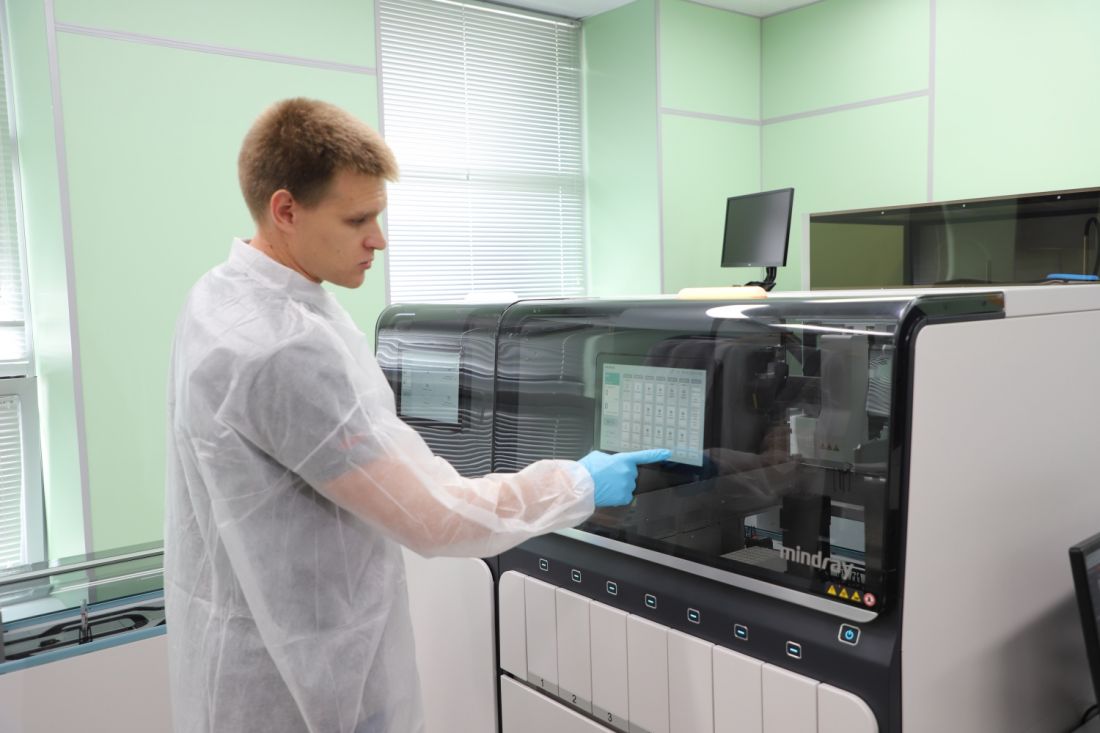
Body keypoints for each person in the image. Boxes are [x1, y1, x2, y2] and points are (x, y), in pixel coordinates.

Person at [163, 97, 668, 733]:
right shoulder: (285, 347)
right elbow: (434, 519)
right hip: (307, 687)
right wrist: (578, 483)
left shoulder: (220, 296)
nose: (378, 238)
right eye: (357, 218)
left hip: (245, 661)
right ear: (285, 210)